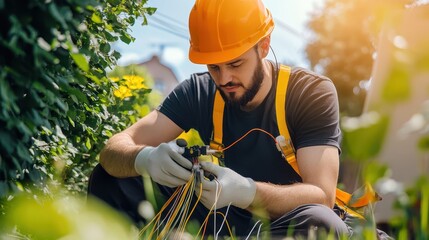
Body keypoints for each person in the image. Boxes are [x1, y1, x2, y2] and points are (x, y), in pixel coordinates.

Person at [88, 0, 386, 238]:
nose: (225, 78)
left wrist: (248, 192)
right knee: (108, 178)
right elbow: (113, 149)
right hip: (219, 219)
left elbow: (321, 195)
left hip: (282, 224)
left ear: (264, 46)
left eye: (235, 63)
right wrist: (146, 159)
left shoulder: (310, 92)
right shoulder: (199, 91)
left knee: (321, 223)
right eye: (214, 67)